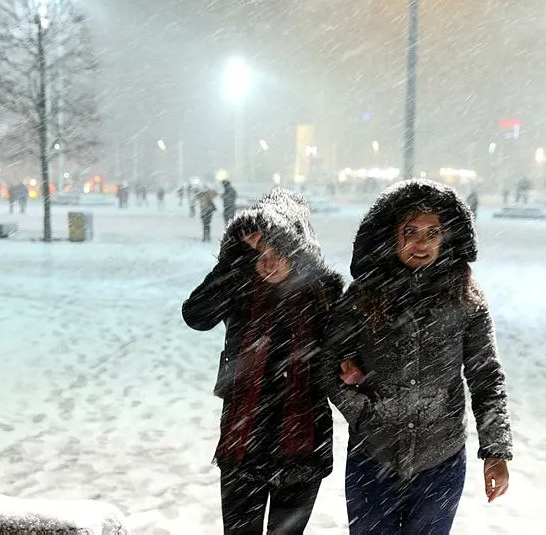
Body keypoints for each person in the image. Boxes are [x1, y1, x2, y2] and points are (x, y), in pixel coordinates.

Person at [323, 179, 513, 534]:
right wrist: (364, 412)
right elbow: (328, 361)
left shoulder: (467, 299)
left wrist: (495, 450)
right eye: (410, 231)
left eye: (432, 232)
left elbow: (486, 377)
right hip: (372, 458)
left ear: (447, 238)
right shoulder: (362, 295)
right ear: (392, 236)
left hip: (440, 460)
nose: (421, 243)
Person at [182, 189, 343, 534]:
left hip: (303, 442)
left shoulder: (323, 292)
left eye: (280, 251)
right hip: (243, 443)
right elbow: (196, 315)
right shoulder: (239, 285)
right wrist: (234, 261)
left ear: (298, 251)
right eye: (261, 252)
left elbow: (347, 351)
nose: (269, 262)